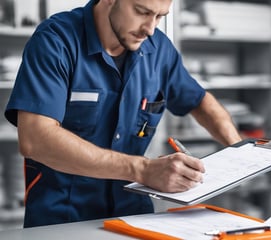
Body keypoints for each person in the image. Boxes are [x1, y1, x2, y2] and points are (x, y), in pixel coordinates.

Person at [4, 0, 241, 228]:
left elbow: (199, 101)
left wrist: (239, 150)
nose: (150, 29)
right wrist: (143, 170)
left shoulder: (159, 50)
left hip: (133, 215)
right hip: (61, 218)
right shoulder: (56, 40)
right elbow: (36, 139)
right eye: (142, 11)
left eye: (159, 16)